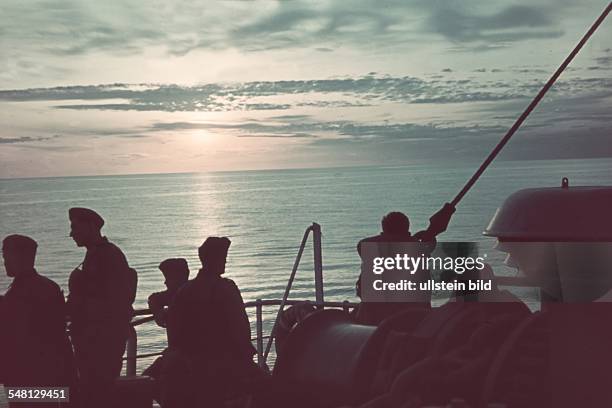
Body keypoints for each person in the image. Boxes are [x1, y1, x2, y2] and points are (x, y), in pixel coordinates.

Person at [161, 237, 262, 408]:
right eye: (222, 258)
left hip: (193, 360)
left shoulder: (185, 290)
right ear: (213, 259)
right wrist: (245, 356)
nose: (225, 261)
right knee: (272, 387)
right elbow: (240, 329)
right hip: (221, 361)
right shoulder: (226, 288)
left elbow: (175, 329)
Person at [66, 207, 137, 408]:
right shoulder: (98, 255)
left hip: (99, 342)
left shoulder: (105, 257)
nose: (71, 234)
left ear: (91, 226)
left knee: (96, 394)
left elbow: (107, 302)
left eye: (75, 227)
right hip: (97, 340)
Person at [0, 234, 74, 408]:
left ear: (22, 257)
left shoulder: (18, 295)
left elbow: (16, 335)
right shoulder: (49, 287)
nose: (4, 261)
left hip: (25, 373)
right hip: (51, 370)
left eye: (6, 255)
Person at [142, 258, 189, 402]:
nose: (165, 282)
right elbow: (155, 298)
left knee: (145, 383)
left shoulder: (186, 295)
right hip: (176, 355)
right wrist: (158, 312)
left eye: (168, 278)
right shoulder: (175, 294)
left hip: (185, 357)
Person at [148, 258, 190, 328]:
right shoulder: (173, 295)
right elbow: (154, 299)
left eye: (168, 278)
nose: (165, 282)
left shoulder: (176, 295)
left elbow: (154, 299)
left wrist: (160, 315)